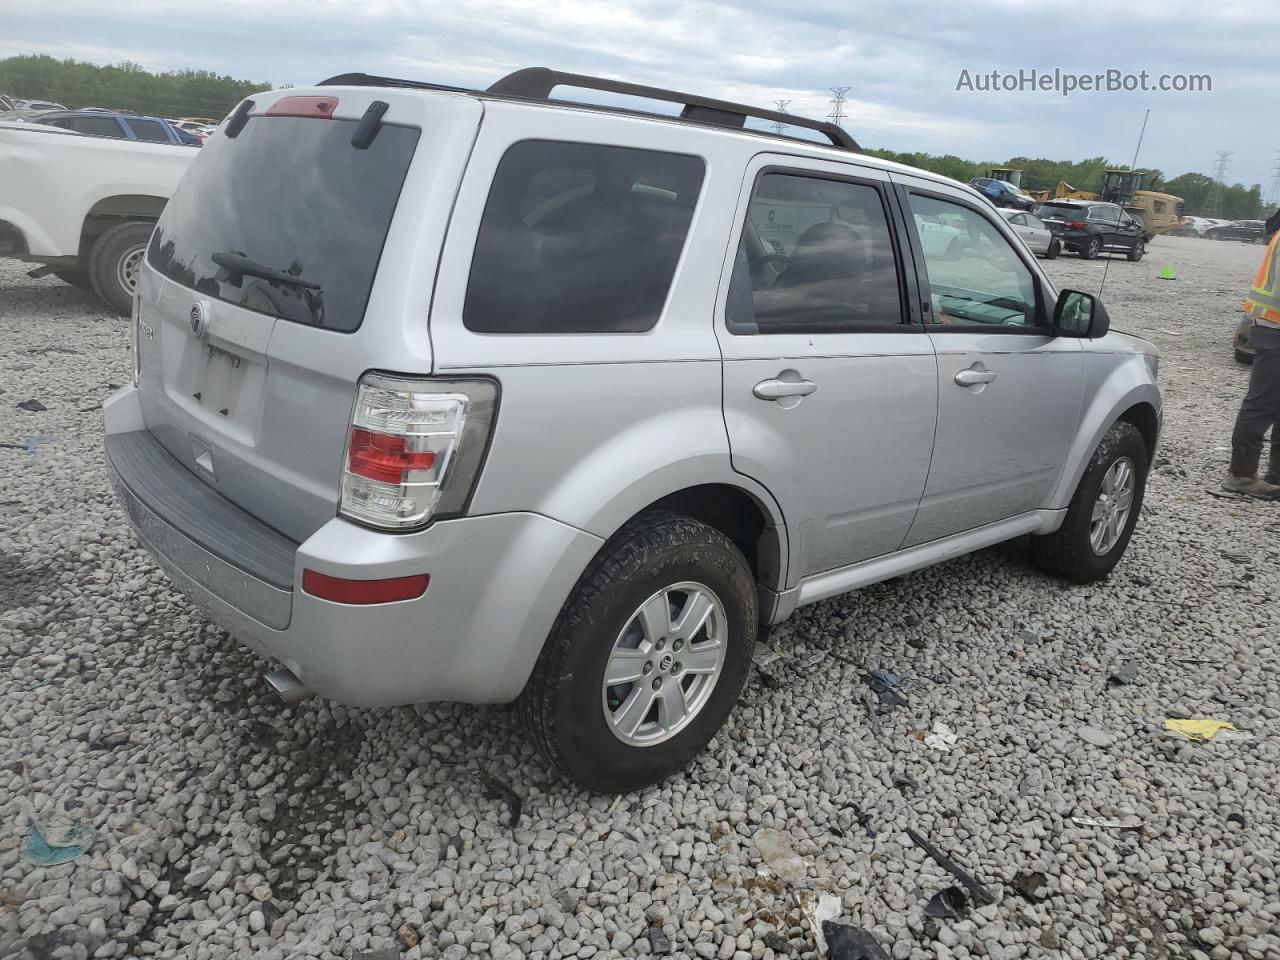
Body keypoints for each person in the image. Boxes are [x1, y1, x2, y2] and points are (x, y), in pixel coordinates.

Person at [1223, 226, 1280, 498]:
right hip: (1274, 330)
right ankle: (1241, 476)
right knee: (1262, 404)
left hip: (1272, 327)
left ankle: (1276, 476)